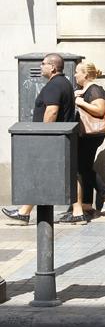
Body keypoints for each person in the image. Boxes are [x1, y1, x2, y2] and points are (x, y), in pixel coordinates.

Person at [2, 53, 74, 226]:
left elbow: (52, 111)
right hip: (59, 139)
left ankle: (24, 213)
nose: (41, 67)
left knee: (39, 174)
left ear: (53, 67)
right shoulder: (64, 83)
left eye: (43, 64)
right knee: (66, 173)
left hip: (51, 140)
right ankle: (25, 212)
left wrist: (43, 134)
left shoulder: (54, 85)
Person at [58, 62, 105, 225]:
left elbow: (100, 110)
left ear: (86, 75)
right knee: (83, 167)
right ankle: (87, 204)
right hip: (87, 134)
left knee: (83, 167)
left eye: (77, 72)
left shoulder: (95, 89)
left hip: (91, 135)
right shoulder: (87, 89)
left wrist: (81, 102)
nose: (75, 75)